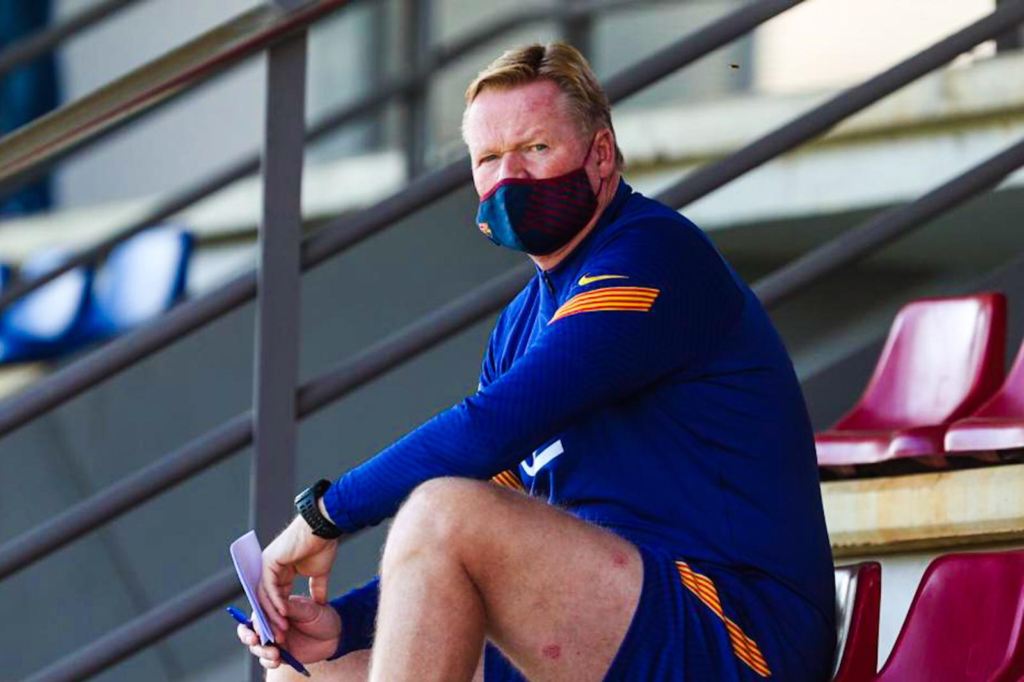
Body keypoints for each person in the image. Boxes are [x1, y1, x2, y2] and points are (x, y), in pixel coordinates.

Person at [238, 42, 836, 681]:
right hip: (605, 618)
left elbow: (488, 434)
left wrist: (326, 515)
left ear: (599, 154)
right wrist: (344, 623)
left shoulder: (653, 254)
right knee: (306, 675)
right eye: (489, 158)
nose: (510, 178)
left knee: (443, 510)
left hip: (733, 635)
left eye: (535, 147)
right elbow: (490, 518)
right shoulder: (520, 323)